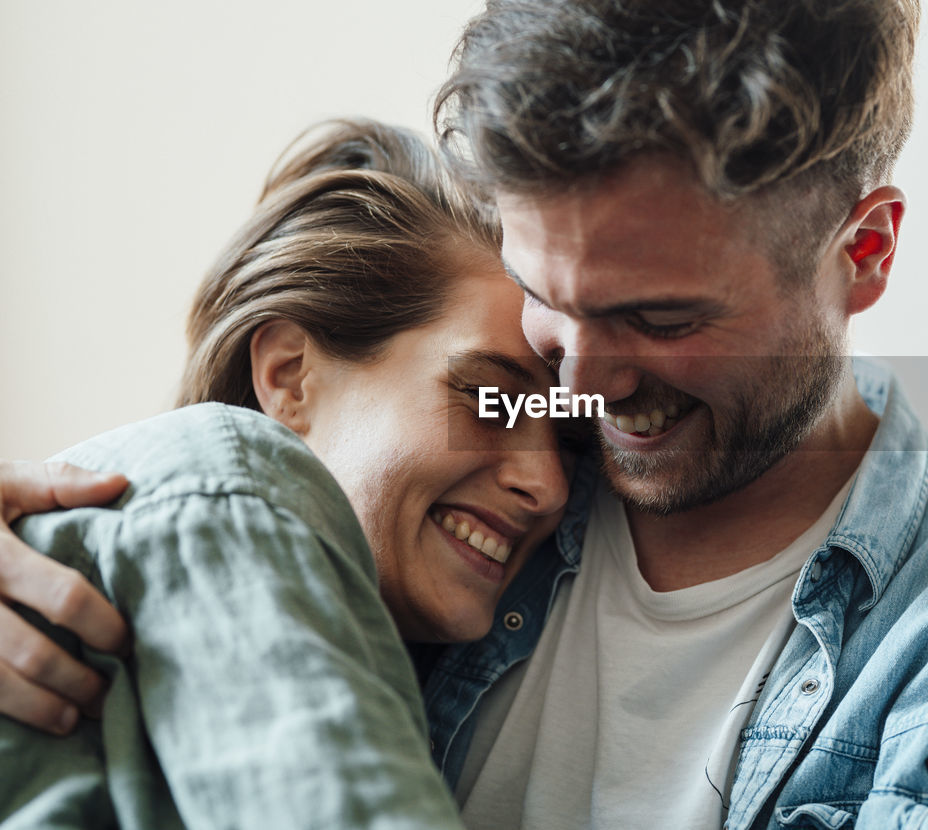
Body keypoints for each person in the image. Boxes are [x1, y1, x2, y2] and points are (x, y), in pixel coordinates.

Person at [1, 0, 928, 828]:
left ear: (861, 252)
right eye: (542, 301)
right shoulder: (441, 512)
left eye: (661, 321)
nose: (579, 386)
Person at [0, 118, 569, 828]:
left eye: (567, 431)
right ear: (290, 376)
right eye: (489, 399)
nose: (549, 485)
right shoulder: (231, 481)